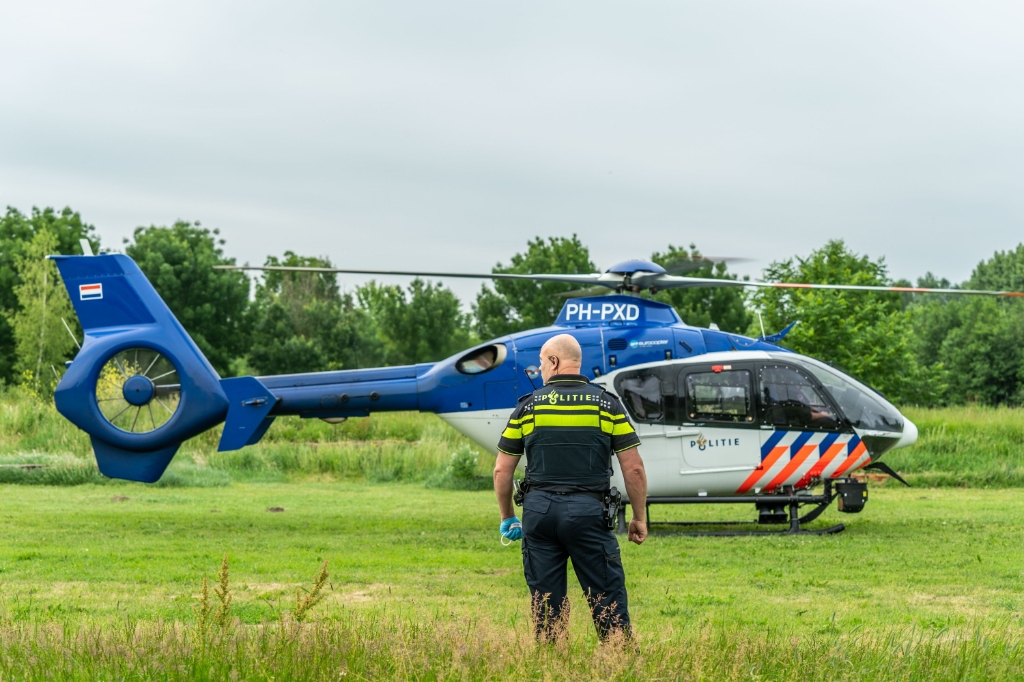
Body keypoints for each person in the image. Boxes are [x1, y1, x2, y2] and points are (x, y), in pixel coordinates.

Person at [493, 333, 648, 640]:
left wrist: (507, 516)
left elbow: (501, 470)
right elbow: (634, 468)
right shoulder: (607, 404)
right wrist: (639, 517)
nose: (540, 370)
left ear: (554, 361)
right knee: (608, 600)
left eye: (541, 364)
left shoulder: (528, 408)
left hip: (539, 513)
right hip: (589, 512)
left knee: (546, 607)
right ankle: (620, 663)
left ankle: (552, 664)